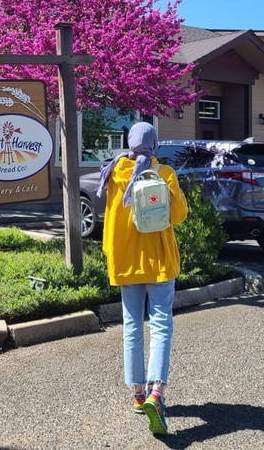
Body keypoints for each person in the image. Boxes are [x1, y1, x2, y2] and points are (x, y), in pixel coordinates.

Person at [97, 122, 188, 435]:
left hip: (126, 261)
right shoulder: (164, 174)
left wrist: (110, 256)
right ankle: (156, 392)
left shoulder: (114, 173)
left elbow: (110, 220)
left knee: (132, 325)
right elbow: (179, 216)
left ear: (129, 143)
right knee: (161, 324)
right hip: (158, 260)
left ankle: (137, 394)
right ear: (155, 145)